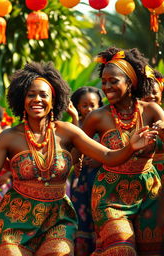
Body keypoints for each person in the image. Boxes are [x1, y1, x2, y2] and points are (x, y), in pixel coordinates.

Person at [0, 61, 157, 256]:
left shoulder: (67, 132)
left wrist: (131, 147)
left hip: (57, 219)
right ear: (21, 99)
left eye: (43, 95)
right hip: (16, 220)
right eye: (31, 94)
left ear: (54, 99)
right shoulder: (8, 137)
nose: (37, 99)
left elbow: (108, 156)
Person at [82, 47, 164, 255]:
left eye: (114, 81)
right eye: (104, 82)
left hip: (149, 193)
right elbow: (76, 144)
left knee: (152, 251)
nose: (107, 87)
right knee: (121, 249)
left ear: (130, 82)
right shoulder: (97, 117)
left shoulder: (152, 110)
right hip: (110, 195)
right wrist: (79, 160)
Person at [67, 86, 104, 256]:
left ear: (99, 106)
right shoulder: (70, 127)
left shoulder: (105, 124)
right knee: (81, 223)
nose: (89, 109)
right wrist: (74, 118)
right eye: (84, 105)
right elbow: (73, 151)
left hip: (102, 182)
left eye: (93, 105)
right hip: (80, 184)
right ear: (76, 107)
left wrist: (99, 158)